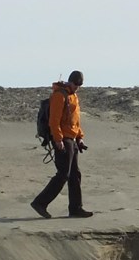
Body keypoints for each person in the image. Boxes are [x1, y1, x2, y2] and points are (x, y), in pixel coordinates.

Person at [31, 70, 94, 218]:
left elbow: (75, 121)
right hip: (63, 139)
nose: (77, 87)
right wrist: (58, 140)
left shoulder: (73, 97)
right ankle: (40, 203)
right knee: (63, 174)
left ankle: (76, 208)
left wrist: (80, 137)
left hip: (71, 139)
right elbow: (54, 120)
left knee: (75, 175)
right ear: (70, 81)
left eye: (80, 84)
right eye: (76, 84)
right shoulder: (59, 96)